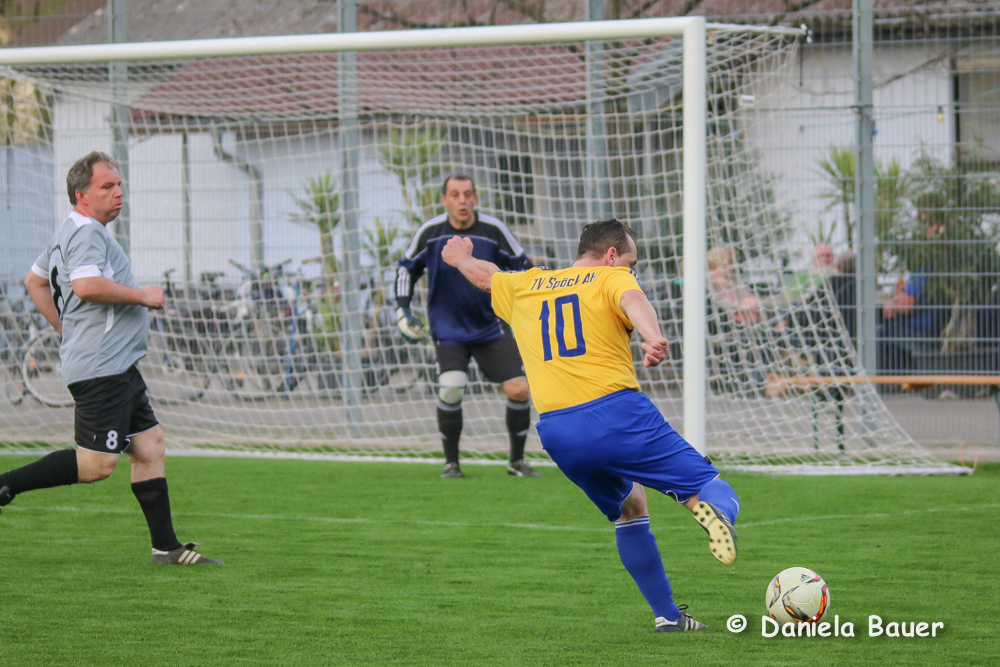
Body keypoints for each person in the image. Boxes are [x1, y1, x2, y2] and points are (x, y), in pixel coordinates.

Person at [442, 218, 740, 632]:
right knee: (709, 486)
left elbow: (488, 278)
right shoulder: (611, 278)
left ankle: (669, 617)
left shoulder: (529, 283)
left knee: (630, 507)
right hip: (618, 414)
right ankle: (713, 512)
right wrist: (653, 336)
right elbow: (635, 300)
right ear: (612, 255)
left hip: (559, 433)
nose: (631, 271)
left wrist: (460, 259)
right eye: (630, 261)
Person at [0, 152, 222, 565]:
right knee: (97, 465)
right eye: (108, 186)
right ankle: (5, 484)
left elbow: (34, 281)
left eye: (119, 185)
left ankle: (166, 548)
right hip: (103, 368)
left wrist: (67, 331)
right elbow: (85, 286)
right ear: (82, 195)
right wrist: (143, 296)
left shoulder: (68, 230)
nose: (119, 193)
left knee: (149, 446)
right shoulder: (87, 235)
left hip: (117, 365)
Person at [395, 174, 540, 479]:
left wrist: (532, 305)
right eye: (455, 194)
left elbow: (524, 268)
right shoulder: (431, 232)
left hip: (491, 327)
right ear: (444, 200)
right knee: (451, 389)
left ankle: (516, 463)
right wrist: (403, 309)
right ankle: (452, 464)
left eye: (468, 194)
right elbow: (406, 269)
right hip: (448, 330)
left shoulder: (494, 230)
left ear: (475, 198)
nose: (462, 200)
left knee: (519, 389)